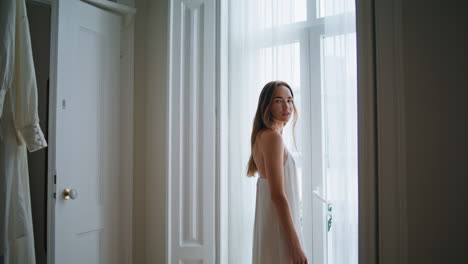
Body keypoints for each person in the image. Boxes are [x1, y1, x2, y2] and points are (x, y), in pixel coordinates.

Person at [248, 81, 308, 264]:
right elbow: (277, 196)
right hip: (278, 229)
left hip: (270, 224)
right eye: (279, 100)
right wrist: (295, 245)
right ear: (267, 105)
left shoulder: (263, 136)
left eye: (290, 100)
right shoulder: (273, 138)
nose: (287, 106)